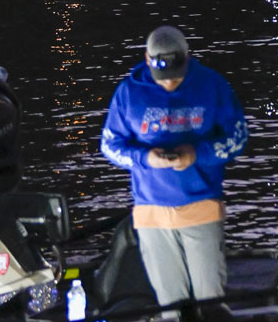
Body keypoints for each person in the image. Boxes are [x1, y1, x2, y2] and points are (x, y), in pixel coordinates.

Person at [100, 25, 248, 306]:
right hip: (151, 212)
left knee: (210, 299)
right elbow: (109, 146)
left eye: (176, 75)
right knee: (170, 302)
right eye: (162, 76)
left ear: (187, 56)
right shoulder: (128, 92)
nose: (169, 82)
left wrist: (196, 154)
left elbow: (238, 137)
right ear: (147, 59)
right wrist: (146, 158)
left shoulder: (212, 85)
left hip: (201, 206)